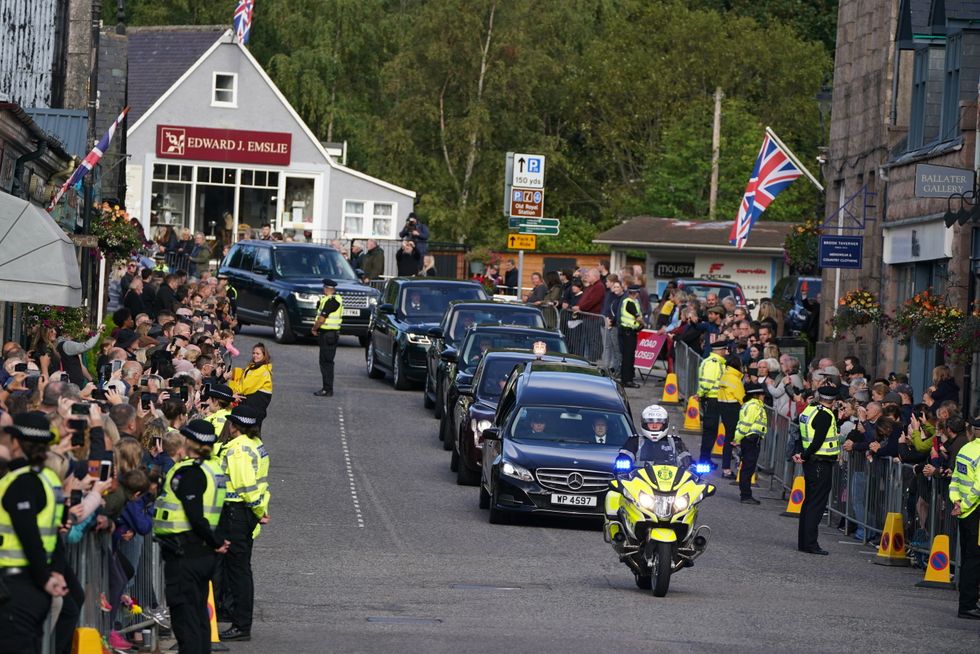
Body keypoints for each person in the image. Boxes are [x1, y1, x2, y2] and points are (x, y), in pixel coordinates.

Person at [153, 419, 230, 654]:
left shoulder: (191, 472)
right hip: (201, 551)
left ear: (192, 442)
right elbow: (220, 510)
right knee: (197, 615)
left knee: (185, 617)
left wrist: (216, 541)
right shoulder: (214, 469)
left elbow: (195, 515)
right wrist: (218, 540)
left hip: (185, 552)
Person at [0, 412, 70, 653]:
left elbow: (28, 534)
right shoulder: (50, 479)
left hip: (15, 586)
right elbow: (56, 532)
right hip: (34, 586)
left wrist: (46, 578)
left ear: (17, 443)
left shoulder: (22, 482)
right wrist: (57, 572)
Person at [217, 405, 270, 641]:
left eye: (231, 423)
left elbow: (246, 486)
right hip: (245, 513)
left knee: (238, 572)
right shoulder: (254, 444)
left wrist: (258, 510)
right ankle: (239, 621)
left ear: (235, 426)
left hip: (237, 511)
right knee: (240, 570)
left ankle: (240, 625)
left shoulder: (238, 449)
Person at [793, 384, 842, 555]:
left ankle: (804, 542)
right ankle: (811, 544)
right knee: (816, 504)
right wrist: (805, 455)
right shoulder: (825, 415)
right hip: (820, 462)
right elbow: (818, 441)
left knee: (809, 503)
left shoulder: (809, 410)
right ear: (833, 401)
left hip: (811, 462)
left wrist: (800, 453)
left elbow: (802, 434)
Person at [949, 425, 980, 619]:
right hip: (975, 511)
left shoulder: (966, 449)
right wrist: (966, 504)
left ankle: (967, 603)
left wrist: (957, 502)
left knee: (970, 558)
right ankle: (968, 605)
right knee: (974, 560)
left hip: (964, 511)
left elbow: (955, 480)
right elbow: (978, 488)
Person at [620, 404, 691, 466]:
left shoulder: (675, 442)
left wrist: (691, 465)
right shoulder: (634, 441)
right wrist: (623, 461)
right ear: (644, 424)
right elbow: (624, 457)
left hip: (670, 480)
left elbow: (687, 460)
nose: (654, 426)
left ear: (665, 424)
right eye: (651, 423)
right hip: (639, 480)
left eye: (658, 424)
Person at [733, 383, 767, 504]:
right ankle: (746, 495)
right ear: (756, 395)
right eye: (762, 394)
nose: (764, 396)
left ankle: (746, 494)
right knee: (748, 468)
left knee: (748, 467)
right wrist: (737, 439)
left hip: (750, 440)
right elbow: (745, 424)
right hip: (750, 440)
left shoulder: (752, 405)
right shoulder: (754, 406)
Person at [697, 339, 728, 465]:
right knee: (710, 431)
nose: (726, 352)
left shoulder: (718, 362)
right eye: (724, 350)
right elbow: (707, 382)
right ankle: (704, 460)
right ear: (720, 351)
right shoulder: (713, 363)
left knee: (711, 431)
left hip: (714, 399)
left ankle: (706, 459)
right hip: (712, 399)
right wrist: (701, 394)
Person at [311, 279, 342, 397]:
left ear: (328, 288)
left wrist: (314, 328)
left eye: (324, 287)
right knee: (326, 362)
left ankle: (327, 389)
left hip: (328, 334)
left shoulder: (332, 301)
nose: (323, 289)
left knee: (326, 362)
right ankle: (327, 388)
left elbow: (322, 319)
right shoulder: (333, 300)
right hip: (330, 334)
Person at [228, 344, 273, 412]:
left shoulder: (262, 370)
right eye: (253, 353)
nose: (255, 355)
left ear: (264, 355)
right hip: (251, 402)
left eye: (258, 354)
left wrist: (232, 393)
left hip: (255, 403)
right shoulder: (253, 366)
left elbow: (246, 387)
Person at [618, 285, 643, 388]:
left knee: (627, 356)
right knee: (629, 357)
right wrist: (643, 323)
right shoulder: (630, 303)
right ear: (636, 293)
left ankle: (625, 379)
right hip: (629, 332)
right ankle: (627, 380)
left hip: (627, 332)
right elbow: (638, 318)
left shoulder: (627, 301)